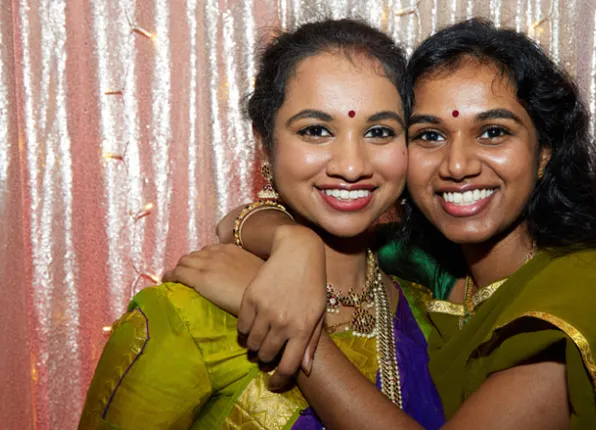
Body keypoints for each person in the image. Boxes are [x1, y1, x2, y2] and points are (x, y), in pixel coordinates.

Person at [176, 19, 596, 429]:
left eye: (494, 132)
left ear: (544, 152)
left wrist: (296, 330)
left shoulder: (586, 291)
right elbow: (236, 225)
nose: (458, 165)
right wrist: (292, 244)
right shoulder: (424, 266)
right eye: (429, 135)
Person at [79, 18, 445, 430]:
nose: (351, 165)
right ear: (265, 145)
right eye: (316, 130)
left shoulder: (429, 309)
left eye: (379, 131)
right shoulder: (187, 315)